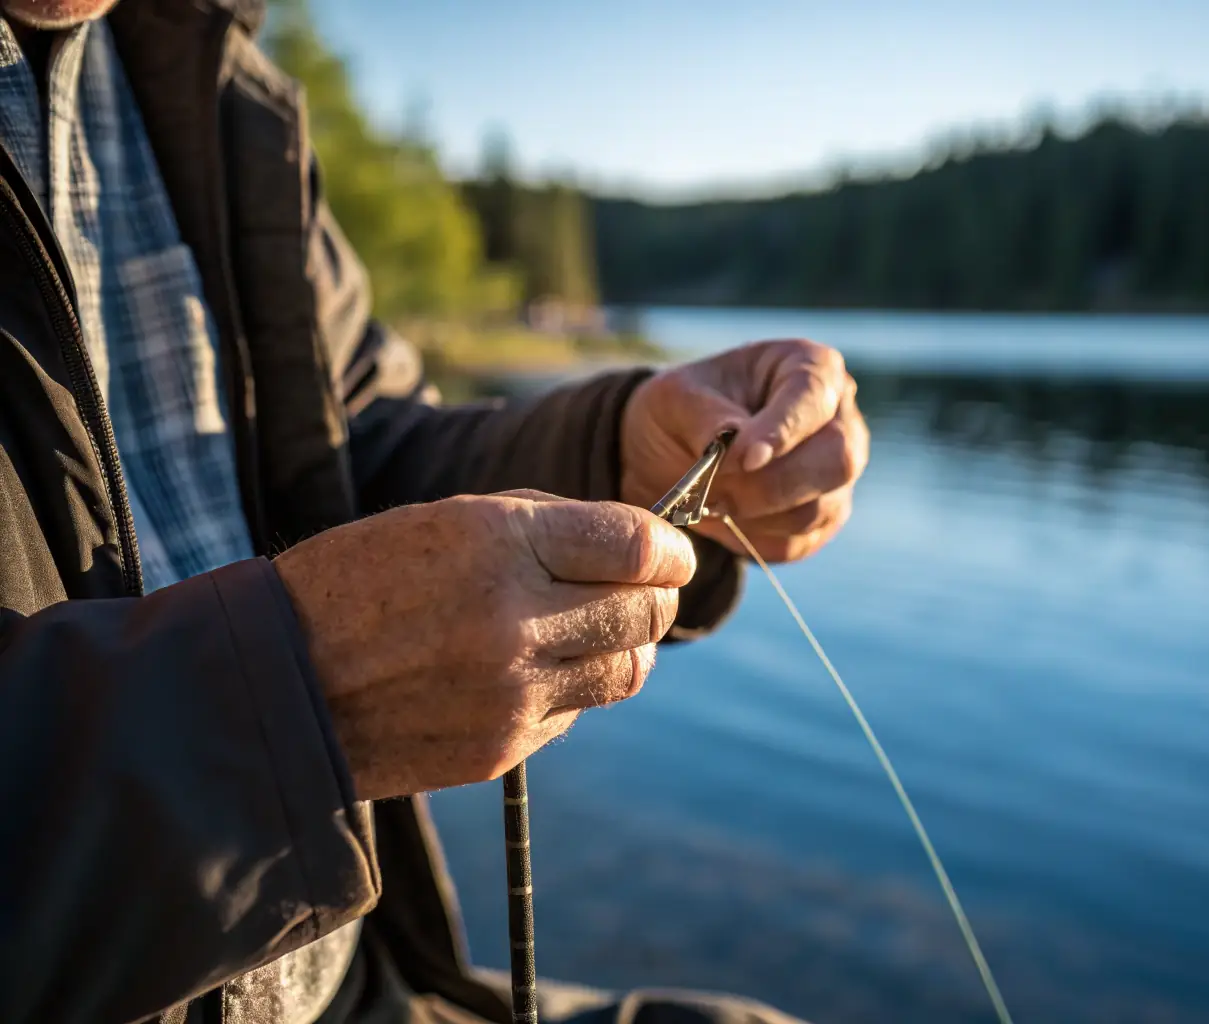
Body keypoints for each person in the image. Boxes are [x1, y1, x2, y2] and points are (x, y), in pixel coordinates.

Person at [0, 0, 869, 1020]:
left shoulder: (197, 75)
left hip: (368, 989)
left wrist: (618, 453)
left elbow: (348, 450)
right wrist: (297, 696)